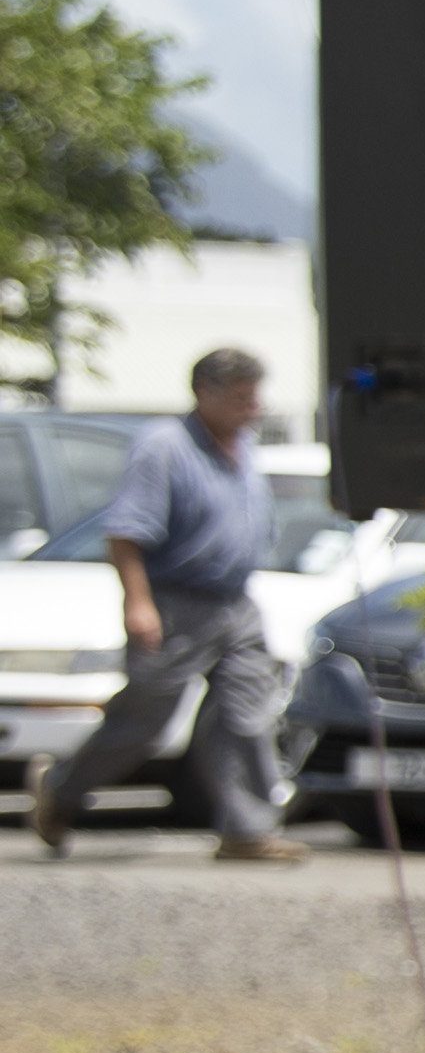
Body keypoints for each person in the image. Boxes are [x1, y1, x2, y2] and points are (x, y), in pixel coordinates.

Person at [30, 345, 296, 860]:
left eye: (255, 397)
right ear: (204, 393)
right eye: (241, 398)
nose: (254, 408)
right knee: (143, 723)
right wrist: (139, 603)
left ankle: (247, 831)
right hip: (175, 603)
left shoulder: (245, 447)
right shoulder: (164, 447)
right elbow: (125, 533)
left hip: (236, 604)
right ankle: (60, 793)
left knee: (248, 714)